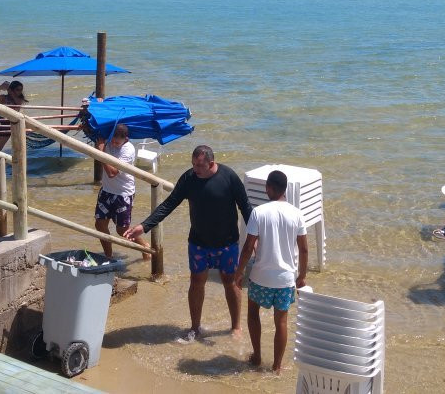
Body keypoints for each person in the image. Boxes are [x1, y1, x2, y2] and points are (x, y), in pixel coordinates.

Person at [124, 144, 252, 342]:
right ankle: (195, 327)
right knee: (196, 282)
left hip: (227, 243)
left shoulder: (229, 177)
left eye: (199, 166)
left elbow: (246, 208)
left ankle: (236, 327)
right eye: (193, 165)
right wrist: (144, 226)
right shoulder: (189, 179)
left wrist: (256, 237)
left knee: (231, 282)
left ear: (211, 163)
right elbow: (169, 204)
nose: (195, 170)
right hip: (198, 243)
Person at [235, 169, 307, 373]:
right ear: (285, 189)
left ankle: (257, 356)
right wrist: (301, 275)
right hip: (285, 280)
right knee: (281, 321)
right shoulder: (296, 213)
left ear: (269, 188)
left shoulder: (259, 212)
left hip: (260, 277)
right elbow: (303, 248)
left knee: (253, 313)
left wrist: (239, 273)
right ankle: (276, 366)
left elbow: (249, 247)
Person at [92, 123, 146, 259]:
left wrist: (101, 152)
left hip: (123, 193)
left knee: (122, 230)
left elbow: (111, 173)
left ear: (126, 139)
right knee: (100, 225)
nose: (114, 143)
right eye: (113, 139)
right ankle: (108, 256)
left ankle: (146, 249)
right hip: (106, 191)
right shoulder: (108, 142)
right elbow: (95, 134)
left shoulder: (128, 150)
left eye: (118, 140)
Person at [0, 80, 27, 152]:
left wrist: (11, 92)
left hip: (16, 126)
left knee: (19, 151)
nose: (20, 91)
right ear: (12, 89)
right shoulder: (5, 98)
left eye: (21, 89)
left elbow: (17, 104)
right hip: (6, 126)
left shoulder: (20, 99)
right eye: (17, 90)